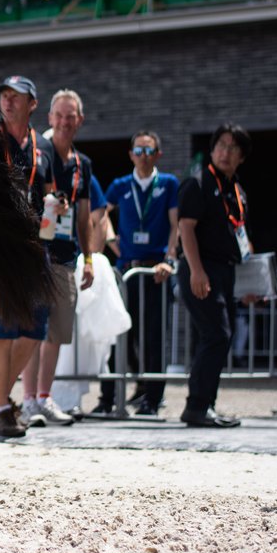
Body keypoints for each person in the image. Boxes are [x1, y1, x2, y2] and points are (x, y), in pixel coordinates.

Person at [0, 75, 55, 437]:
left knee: (35, 328)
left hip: (36, 244)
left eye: (17, 97)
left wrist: (58, 205)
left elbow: (50, 189)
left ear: (32, 104)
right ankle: (3, 409)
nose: (8, 102)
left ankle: (0, 397)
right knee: (4, 329)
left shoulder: (45, 147)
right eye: (5, 95)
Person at [21, 89, 98, 427]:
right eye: (60, 115)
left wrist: (91, 259)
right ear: (50, 117)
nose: (65, 122)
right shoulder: (40, 152)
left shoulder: (84, 165)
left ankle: (43, 397)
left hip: (66, 255)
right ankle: (25, 401)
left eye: (71, 116)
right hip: (37, 253)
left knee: (57, 331)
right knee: (32, 329)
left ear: (79, 121)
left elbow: (85, 216)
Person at [98, 131, 181, 416]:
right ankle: (109, 396)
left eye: (149, 151)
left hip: (156, 270)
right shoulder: (121, 185)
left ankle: (152, 399)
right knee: (119, 331)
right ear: (131, 154)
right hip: (127, 270)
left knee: (154, 337)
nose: (143, 156)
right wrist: (114, 245)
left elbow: (176, 225)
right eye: (139, 151)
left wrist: (170, 259)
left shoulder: (168, 184)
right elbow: (102, 214)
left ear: (158, 154)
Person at [176, 124, 253, 428]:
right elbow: (186, 228)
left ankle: (206, 404)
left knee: (216, 336)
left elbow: (240, 236)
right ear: (211, 149)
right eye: (221, 145)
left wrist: (250, 284)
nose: (225, 152)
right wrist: (196, 270)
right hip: (200, 267)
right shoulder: (197, 182)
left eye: (233, 147)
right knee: (217, 334)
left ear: (242, 156)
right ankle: (196, 407)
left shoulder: (236, 190)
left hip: (226, 270)